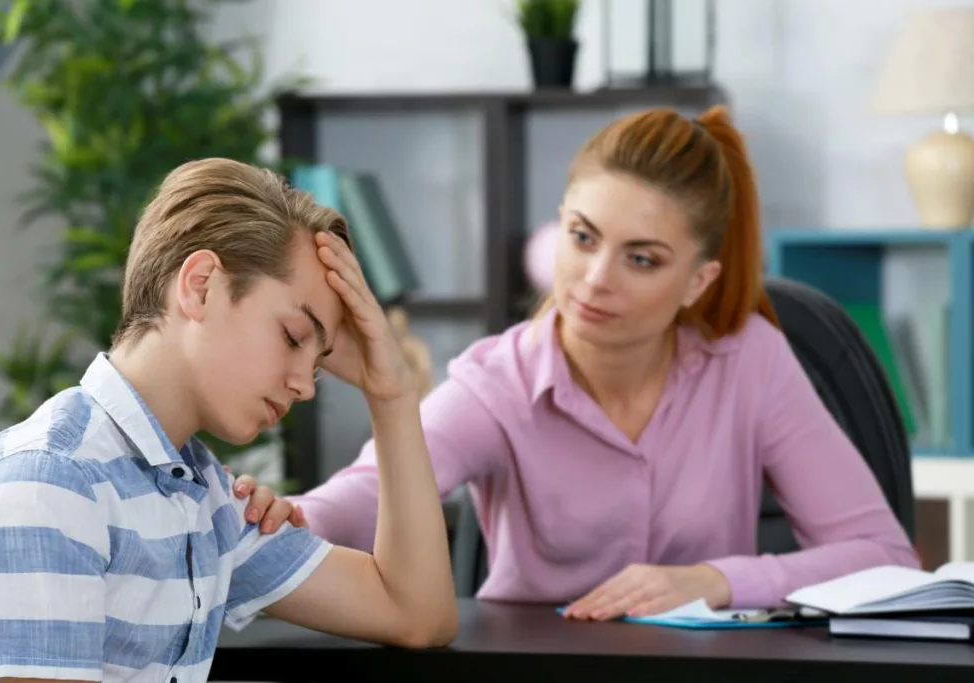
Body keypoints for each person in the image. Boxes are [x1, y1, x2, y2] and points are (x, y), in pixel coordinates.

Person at [262, 105, 921, 621]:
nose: (596, 278)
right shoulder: (499, 380)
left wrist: (715, 580)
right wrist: (283, 519)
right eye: (582, 237)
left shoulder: (750, 360)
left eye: (642, 258)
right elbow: (368, 493)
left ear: (697, 282)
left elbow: (886, 556)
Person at [0, 158, 457, 683]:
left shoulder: (205, 499)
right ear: (201, 286)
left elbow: (417, 614)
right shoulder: (50, 483)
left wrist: (391, 395)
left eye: (318, 365)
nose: (305, 386)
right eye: (293, 337)